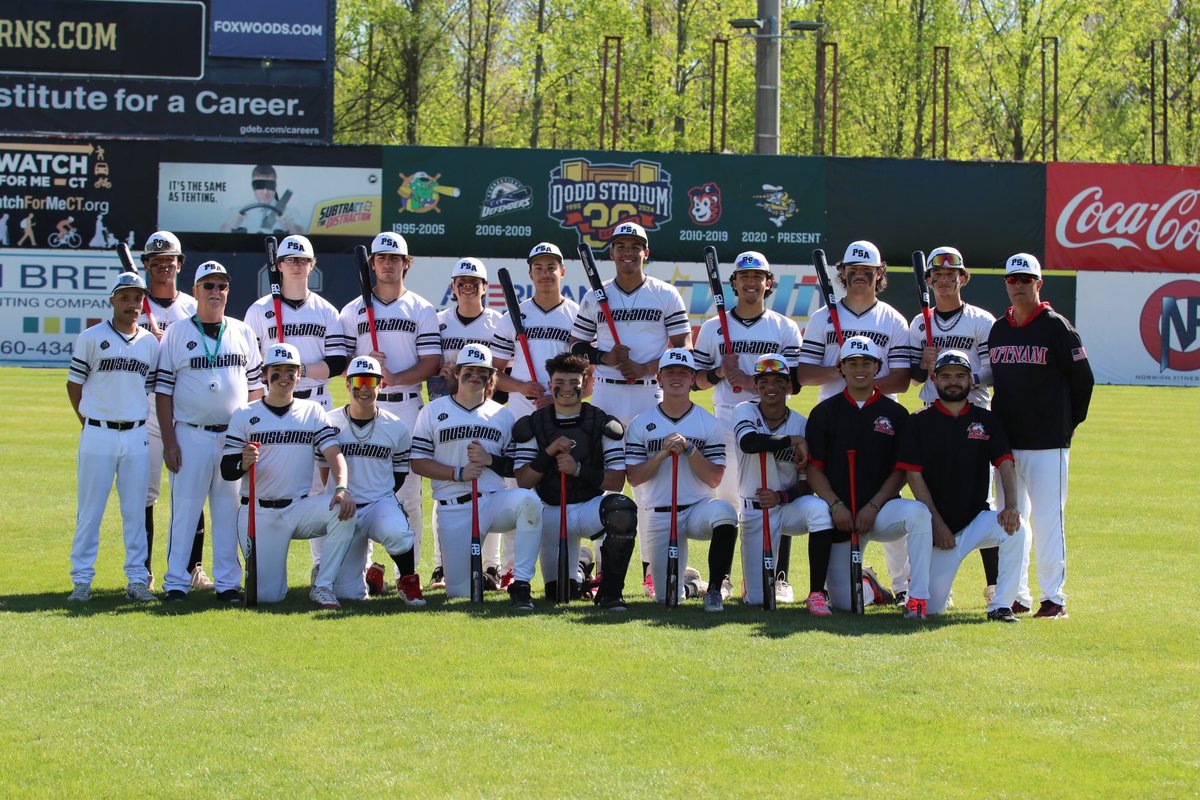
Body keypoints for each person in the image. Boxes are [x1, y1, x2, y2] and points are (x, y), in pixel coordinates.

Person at [568, 221, 691, 597]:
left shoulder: (666, 294)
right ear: (612, 253)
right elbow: (576, 347)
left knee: (651, 485)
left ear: (645, 253)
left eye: (634, 246)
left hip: (647, 394)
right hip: (606, 395)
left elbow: (681, 347)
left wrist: (646, 367)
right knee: (607, 484)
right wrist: (605, 355)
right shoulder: (596, 296)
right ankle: (608, 573)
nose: (627, 253)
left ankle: (652, 572)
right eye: (620, 246)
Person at [797, 240, 915, 602]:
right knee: (838, 500)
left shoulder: (893, 319)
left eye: (867, 271)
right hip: (833, 421)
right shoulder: (822, 318)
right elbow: (802, 374)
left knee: (888, 494)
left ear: (879, 274)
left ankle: (904, 585)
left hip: (882, 421)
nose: (859, 276)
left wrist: (863, 377)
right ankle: (853, 579)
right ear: (842, 273)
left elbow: (902, 379)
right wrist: (842, 369)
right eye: (853, 271)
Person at [988, 253, 1094, 619]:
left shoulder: (1057, 327)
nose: (1018, 285)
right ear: (1006, 283)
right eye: (1013, 279)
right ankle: (1016, 594)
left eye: (1025, 279)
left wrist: (1068, 424)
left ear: (1038, 283)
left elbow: (1084, 381)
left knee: (1050, 519)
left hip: (1048, 442)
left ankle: (1055, 598)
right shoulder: (998, 329)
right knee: (1010, 519)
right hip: (1007, 444)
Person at [693, 251, 803, 601]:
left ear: (769, 283)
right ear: (734, 284)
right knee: (728, 504)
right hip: (725, 423)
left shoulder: (784, 327)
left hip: (772, 422)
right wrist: (719, 373)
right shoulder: (713, 328)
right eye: (744, 277)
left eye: (758, 277)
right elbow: (695, 380)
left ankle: (778, 576)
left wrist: (751, 381)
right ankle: (722, 578)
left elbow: (795, 383)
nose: (751, 283)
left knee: (772, 498)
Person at [155, 261, 264, 603]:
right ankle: (176, 581)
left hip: (231, 436)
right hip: (191, 433)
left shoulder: (242, 331)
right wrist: (169, 441)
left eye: (222, 286)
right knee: (185, 510)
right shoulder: (177, 332)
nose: (215, 292)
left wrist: (247, 432)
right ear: (196, 289)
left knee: (227, 510)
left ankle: (228, 583)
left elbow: (256, 387)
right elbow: (163, 391)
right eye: (209, 286)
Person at [244, 234, 349, 585]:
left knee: (321, 487)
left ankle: (321, 564)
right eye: (289, 260)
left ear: (312, 265)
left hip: (316, 403)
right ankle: (262, 559)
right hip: (272, 406)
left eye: (302, 260)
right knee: (272, 483)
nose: (296, 265)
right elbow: (253, 364)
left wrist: (296, 371)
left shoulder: (325, 310)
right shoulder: (259, 311)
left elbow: (336, 362)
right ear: (278, 265)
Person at [804, 336, 933, 617]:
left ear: (878, 368)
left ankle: (918, 597)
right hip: (842, 517)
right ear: (842, 368)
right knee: (847, 605)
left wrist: (874, 505)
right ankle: (870, 584)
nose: (859, 369)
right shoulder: (824, 412)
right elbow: (813, 468)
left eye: (867, 363)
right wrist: (835, 506)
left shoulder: (896, 413)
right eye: (853, 363)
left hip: (883, 511)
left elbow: (901, 470)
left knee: (919, 513)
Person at [339, 232, 441, 586]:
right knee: (361, 490)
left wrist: (394, 377)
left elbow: (431, 362)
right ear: (372, 264)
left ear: (406, 264)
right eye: (381, 258)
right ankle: (362, 569)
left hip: (407, 407)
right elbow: (342, 361)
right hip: (363, 408)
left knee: (408, 494)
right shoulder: (352, 310)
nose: (387, 263)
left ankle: (405, 572)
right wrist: (363, 363)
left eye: (394, 258)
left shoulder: (421, 308)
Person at [896, 350, 1028, 622]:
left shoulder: (987, 420)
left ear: (971, 380)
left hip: (976, 522)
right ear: (934, 380)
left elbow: (1005, 464)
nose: (953, 381)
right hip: (937, 531)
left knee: (1017, 528)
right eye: (946, 376)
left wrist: (1011, 507)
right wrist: (937, 524)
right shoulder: (919, 421)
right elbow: (913, 476)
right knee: (932, 611)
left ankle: (1001, 605)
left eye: (960, 376)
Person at [409, 344, 543, 609]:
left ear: (490, 377)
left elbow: (514, 468)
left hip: (492, 502)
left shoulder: (502, 416)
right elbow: (418, 462)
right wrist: (456, 473)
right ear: (456, 374)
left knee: (529, 502)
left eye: (482, 372)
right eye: (469, 370)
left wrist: (489, 460)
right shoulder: (433, 412)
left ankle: (522, 584)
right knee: (460, 594)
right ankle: (478, 577)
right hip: (454, 509)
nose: (475, 376)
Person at [221, 343, 356, 606]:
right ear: (264, 374)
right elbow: (227, 470)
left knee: (345, 512)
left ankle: (323, 585)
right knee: (268, 598)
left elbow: (334, 455)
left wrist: (341, 488)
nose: (284, 377)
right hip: (258, 512)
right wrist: (243, 463)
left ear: (299, 374)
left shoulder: (312, 411)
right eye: (277, 371)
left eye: (290, 371)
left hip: (299, 507)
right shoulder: (245, 415)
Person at [907, 245, 1000, 602]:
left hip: (974, 413)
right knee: (933, 497)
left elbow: (994, 370)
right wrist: (924, 364)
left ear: (963, 278)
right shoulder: (920, 323)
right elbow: (914, 377)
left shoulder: (981, 320)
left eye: (952, 275)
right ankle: (931, 586)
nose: (945, 281)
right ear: (928, 280)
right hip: (932, 416)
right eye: (938, 276)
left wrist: (964, 377)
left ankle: (994, 586)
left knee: (981, 500)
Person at [512, 352, 637, 611]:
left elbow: (617, 482)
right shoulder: (533, 424)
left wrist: (578, 470)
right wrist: (548, 454)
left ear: (585, 383)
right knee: (560, 594)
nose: (567, 388)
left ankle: (611, 593)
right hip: (549, 512)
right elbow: (523, 481)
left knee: (621, 509)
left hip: (587, 507)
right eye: (560, 382)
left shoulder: (603, 422)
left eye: (574, 382)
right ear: (550, 385)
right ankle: (579, 568)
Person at [491, 242, 581, 588]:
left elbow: (586, 376)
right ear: (530, 273)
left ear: (563, 271)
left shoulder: (576, 314)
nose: (545, 274)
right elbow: (495, 372)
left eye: (551, 267)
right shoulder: (511, 316)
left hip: (564, 417)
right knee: (520, 491)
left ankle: (575, 569)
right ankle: (514, 568)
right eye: (539, 268)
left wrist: (561, 399)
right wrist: (523, 387)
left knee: (569, 491)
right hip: (522, 416)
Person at [65, 272, 159, 603]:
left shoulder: (150, 343)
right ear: (113, 300)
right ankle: (82, 580)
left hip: (136, 434)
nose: (132, 304)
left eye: (137, 298)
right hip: (98, 433)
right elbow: (74, 385)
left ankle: (136, 579)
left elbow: (149, 389)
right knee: (90, 511)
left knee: (135, 511)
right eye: (126, 298)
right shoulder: (91, 337)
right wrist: (88, 420)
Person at [625, 348, 739, 611]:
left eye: (684, 373)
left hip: (697, 508)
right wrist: (662, 455)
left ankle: (714, 590)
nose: (677, 377)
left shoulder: (708, 423)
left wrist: (690, 450)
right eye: (670, 372)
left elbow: (714, 478)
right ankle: (691, 585)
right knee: (668, 599)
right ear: (659, 379)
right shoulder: (641, 423)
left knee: (725, 513)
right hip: (661, 512)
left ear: (692, 379)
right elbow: (634, 477)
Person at [315, 356, 425, 606]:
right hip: (344, 509)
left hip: (378, 504)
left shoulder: (396, 427)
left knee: (397, 531)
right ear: (347, 384)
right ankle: (373, 574)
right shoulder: (329, 422)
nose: (364, 388)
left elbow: (398, 475)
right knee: (348, 594)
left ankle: (407, 582)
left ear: (381, 385)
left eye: (371, 382)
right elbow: (324, 470)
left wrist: (378, 495)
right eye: (359, 381)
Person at [137, 230, 209, 592]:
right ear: (146, 265)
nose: (164, 266)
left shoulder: (192, 307)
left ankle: (193, 567)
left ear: (180, 264)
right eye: (157, 261)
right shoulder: (133, 305)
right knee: (145, 495)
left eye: (171, 261)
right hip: (146, 411)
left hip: (187, 412)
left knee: (191, 493)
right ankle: (144, 571)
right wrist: (149, 342)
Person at [733, 354, 832, 607]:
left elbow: (807, 481)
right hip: (754, 509)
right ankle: (750, 583)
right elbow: (749, 443)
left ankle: (817, 594)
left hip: (788, 506)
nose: (771, 387)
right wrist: (793, 441)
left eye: (778, 381)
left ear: (789, 386)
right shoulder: (744, 411)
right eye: (763, 382)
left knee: (820, 510)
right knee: (757, 600)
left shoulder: (801, 423)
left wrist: (782, 497)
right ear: (755, 386)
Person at [221, 164, 304, 234]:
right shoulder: (235, 212)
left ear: (275, 186)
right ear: (253, 186)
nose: (265, 192)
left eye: (270, 186)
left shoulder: (292, 213)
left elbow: (303, 238)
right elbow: (220, 236)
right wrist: (229, 226)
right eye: (259, 185)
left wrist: (292, 228)